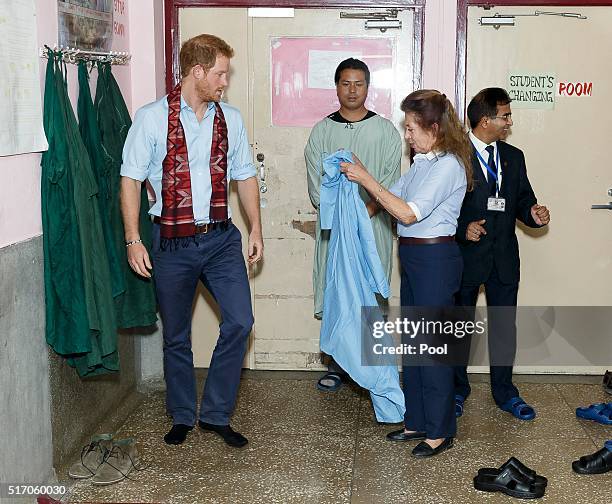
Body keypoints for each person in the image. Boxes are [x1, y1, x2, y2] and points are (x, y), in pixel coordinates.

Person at [120, 34, 263, 447]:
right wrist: (133, 239)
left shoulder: (229, 119)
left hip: (219, 239)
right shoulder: (151, 119)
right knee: (176, 334)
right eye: (220, 74)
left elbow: (245, 174)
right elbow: (130, 179)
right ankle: (183, 414)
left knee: (241, 321)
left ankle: (216, 414)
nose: (224, 82)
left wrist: (255, 227)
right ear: (197, 72)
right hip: (170, 241)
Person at [341, 89, 473, 457]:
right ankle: (417, 420)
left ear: (435, 127)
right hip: (414, 258)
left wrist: (366, 178)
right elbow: (386, 201)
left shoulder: (448, 166)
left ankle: (441, 430)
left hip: (436, 260)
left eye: (413, 128)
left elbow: (408, 213)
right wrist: (351, 210)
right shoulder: (422, 162)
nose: (408, 136)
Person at [305, 58, 401, 392]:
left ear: (367, 87)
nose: (352, 90)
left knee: (369, 294)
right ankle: (337, 364)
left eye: (358, 84)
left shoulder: (385, 131)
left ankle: (373, 367)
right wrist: (345, 218)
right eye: (345, 83)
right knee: (337, 293)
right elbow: (318, 185)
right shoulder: (322, 131)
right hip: (335, 232)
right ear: (336, 87)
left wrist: (364, 213)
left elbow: (389, 181)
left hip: (373, 230)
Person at [453, 87, 550, 421]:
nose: (510, 121)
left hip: (504, 259)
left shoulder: (513, 157)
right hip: (465, 258)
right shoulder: (454, 156)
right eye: (505, 116)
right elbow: (437, 210)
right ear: (484, 120)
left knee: (504, 328)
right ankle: (456, 391)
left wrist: (533, 214)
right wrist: (462, 227)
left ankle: (505, 392)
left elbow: (522, 199)